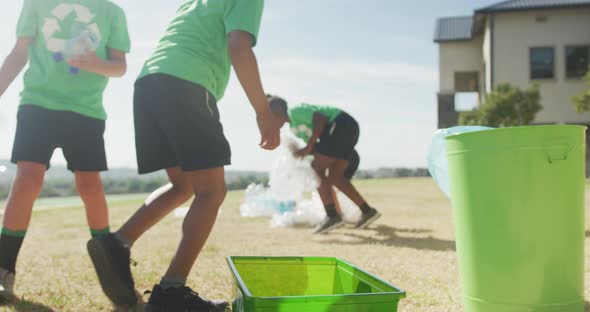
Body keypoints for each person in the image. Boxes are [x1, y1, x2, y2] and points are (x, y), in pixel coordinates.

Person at [86, 0, 281, 311]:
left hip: (150, 83)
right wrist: (263, 111)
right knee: (212, 190)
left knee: (184, 185)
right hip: (186, 83)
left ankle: (117, 243)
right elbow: (240, 47)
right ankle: (171, 292)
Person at [0, 0, 130, 302]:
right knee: (28, 179)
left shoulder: (112, 12)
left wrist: (90, 62)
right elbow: (19, 53)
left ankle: (112, 269)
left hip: (86, 112)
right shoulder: (36, 4)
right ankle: (4, 271)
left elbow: (119, 66)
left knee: (90, 185)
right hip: (37, 105)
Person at [268, 96, 381, 234]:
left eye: (268, 118)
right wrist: (302, 152)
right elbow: (320, 148)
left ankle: (333, 216)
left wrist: (308, 147)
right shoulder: (294, 128)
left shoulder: (295, 111)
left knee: (317, 168)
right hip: (344, 131)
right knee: (334, 177)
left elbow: (320, 119)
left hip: (341, 124)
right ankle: (367, 211)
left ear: (276, 113)